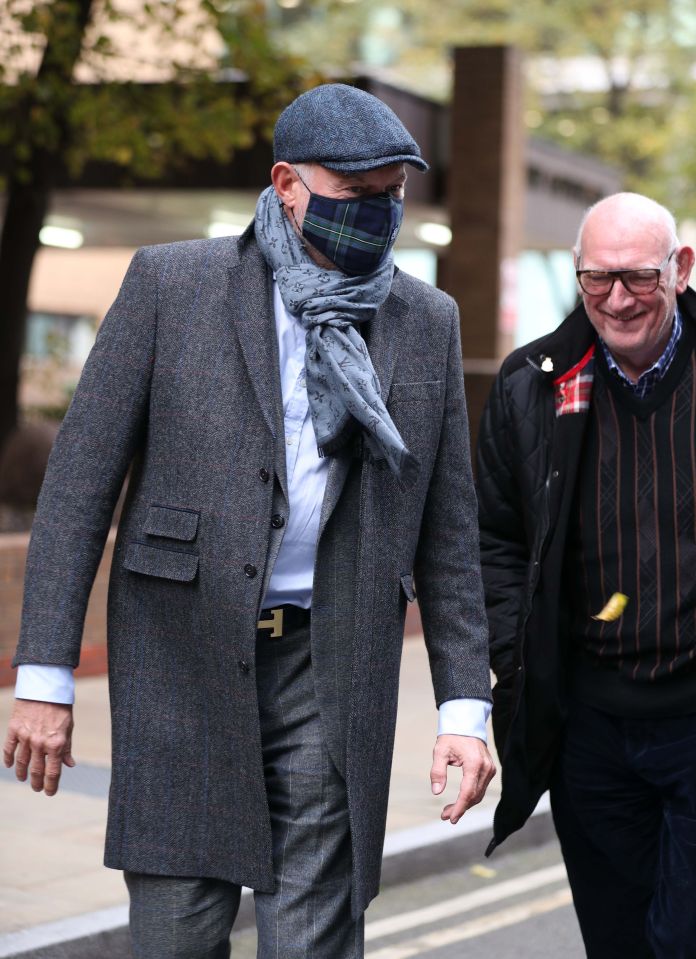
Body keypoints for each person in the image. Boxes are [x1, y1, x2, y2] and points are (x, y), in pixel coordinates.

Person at [3, 83, 495, 959]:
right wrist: (43, 678)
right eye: (356, 197)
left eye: (392, 197)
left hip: (332, 669)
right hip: (179, 669)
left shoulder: (425, 320)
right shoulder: (171, 285)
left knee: (311, 941)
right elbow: (78, 488)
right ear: (287, 184)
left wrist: (466, 708)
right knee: (176, 938)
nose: (378, 217)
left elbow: (449, 535)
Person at [477, 191, 696, 958]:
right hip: (590, 732)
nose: (616, 299)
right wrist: (514, 659)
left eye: (637, 277)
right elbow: (493, 539)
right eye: (595, 279)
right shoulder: (531, 384)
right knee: (618, 942)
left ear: (681, 268)